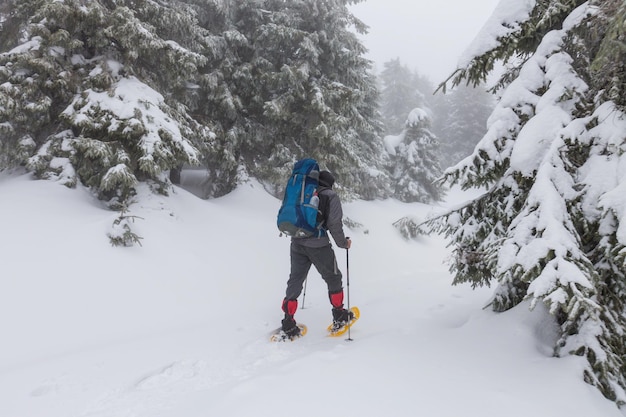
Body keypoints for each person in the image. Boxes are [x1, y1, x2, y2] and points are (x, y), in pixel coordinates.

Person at [280, 170, 353, 338]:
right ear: (330, 183)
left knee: (296, 280)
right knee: (333, 278)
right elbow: (334, 224)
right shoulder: (330, 196)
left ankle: (288, 321)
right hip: (318, 245)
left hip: (296, 242)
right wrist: (343, 243)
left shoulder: (303, 193)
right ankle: (339, 314)